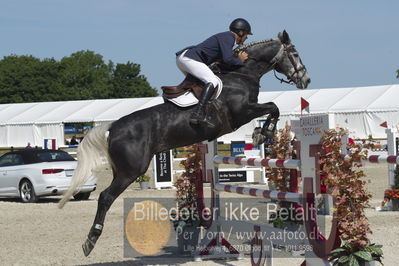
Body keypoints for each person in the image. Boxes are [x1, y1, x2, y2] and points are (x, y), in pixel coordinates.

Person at [176, 18, 252, 128]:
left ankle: (192, 109)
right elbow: (228, 60)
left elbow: (222, 62)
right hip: (189, 58)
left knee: (200, 84)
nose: (247, 37)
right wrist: (240, 60)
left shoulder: (226, 38)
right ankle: (198, 113)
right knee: (212, 80)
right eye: (246, 34)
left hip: (184, 58)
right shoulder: (229, 37)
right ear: (240, 32)